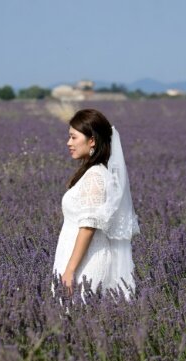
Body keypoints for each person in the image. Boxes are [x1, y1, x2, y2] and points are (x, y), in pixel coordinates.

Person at [51, 109, 140, 304]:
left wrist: (70, 270)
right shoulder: (93, 173)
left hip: (85, 264)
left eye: (74, 137)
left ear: (92, 140)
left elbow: (88, 228)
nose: (69, 143)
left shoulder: (95, 177)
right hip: (77, 259)